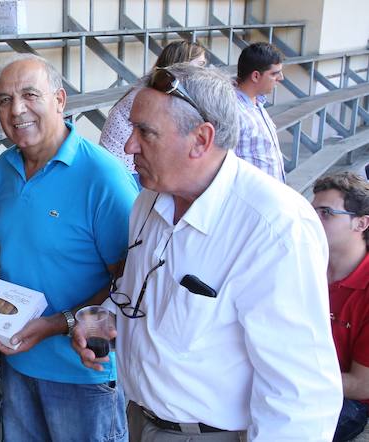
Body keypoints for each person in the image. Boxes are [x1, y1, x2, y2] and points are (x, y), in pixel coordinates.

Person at [75, 63, 342, 440]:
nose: (128, 145)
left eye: (145, 133)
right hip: (141, 420)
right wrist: (107, 322)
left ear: (201, 139)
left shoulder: (276, 228)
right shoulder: (149, 200)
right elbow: (142, 297)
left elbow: (300, 394)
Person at [0, 54, 138, 442]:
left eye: (30, 95)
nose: (16, 110)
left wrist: (53, 325)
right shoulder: (5, 167)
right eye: (4, 100)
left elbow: (130, 280)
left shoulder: (103, 177)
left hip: (81, 371)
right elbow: (13, 244)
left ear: (60, 100)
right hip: (19, 362)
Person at [311, 172, 369, 442]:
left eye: (326, 213)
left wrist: (296, 376)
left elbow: (361, 386)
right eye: (311, 211)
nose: (313, 220)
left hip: (347, 400)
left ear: (361, 223)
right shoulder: (302, 265)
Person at [99, 40, 207, 173]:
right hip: (123, 170)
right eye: (200, 65)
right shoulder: (151, 95)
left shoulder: (157, 88)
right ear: (181, 64)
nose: (203, 72)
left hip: (128, 165)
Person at [234, 42, 286, 182]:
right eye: (275, 73)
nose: (281, 78)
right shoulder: (233, 111)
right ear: (256, 76)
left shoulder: (257, 102)